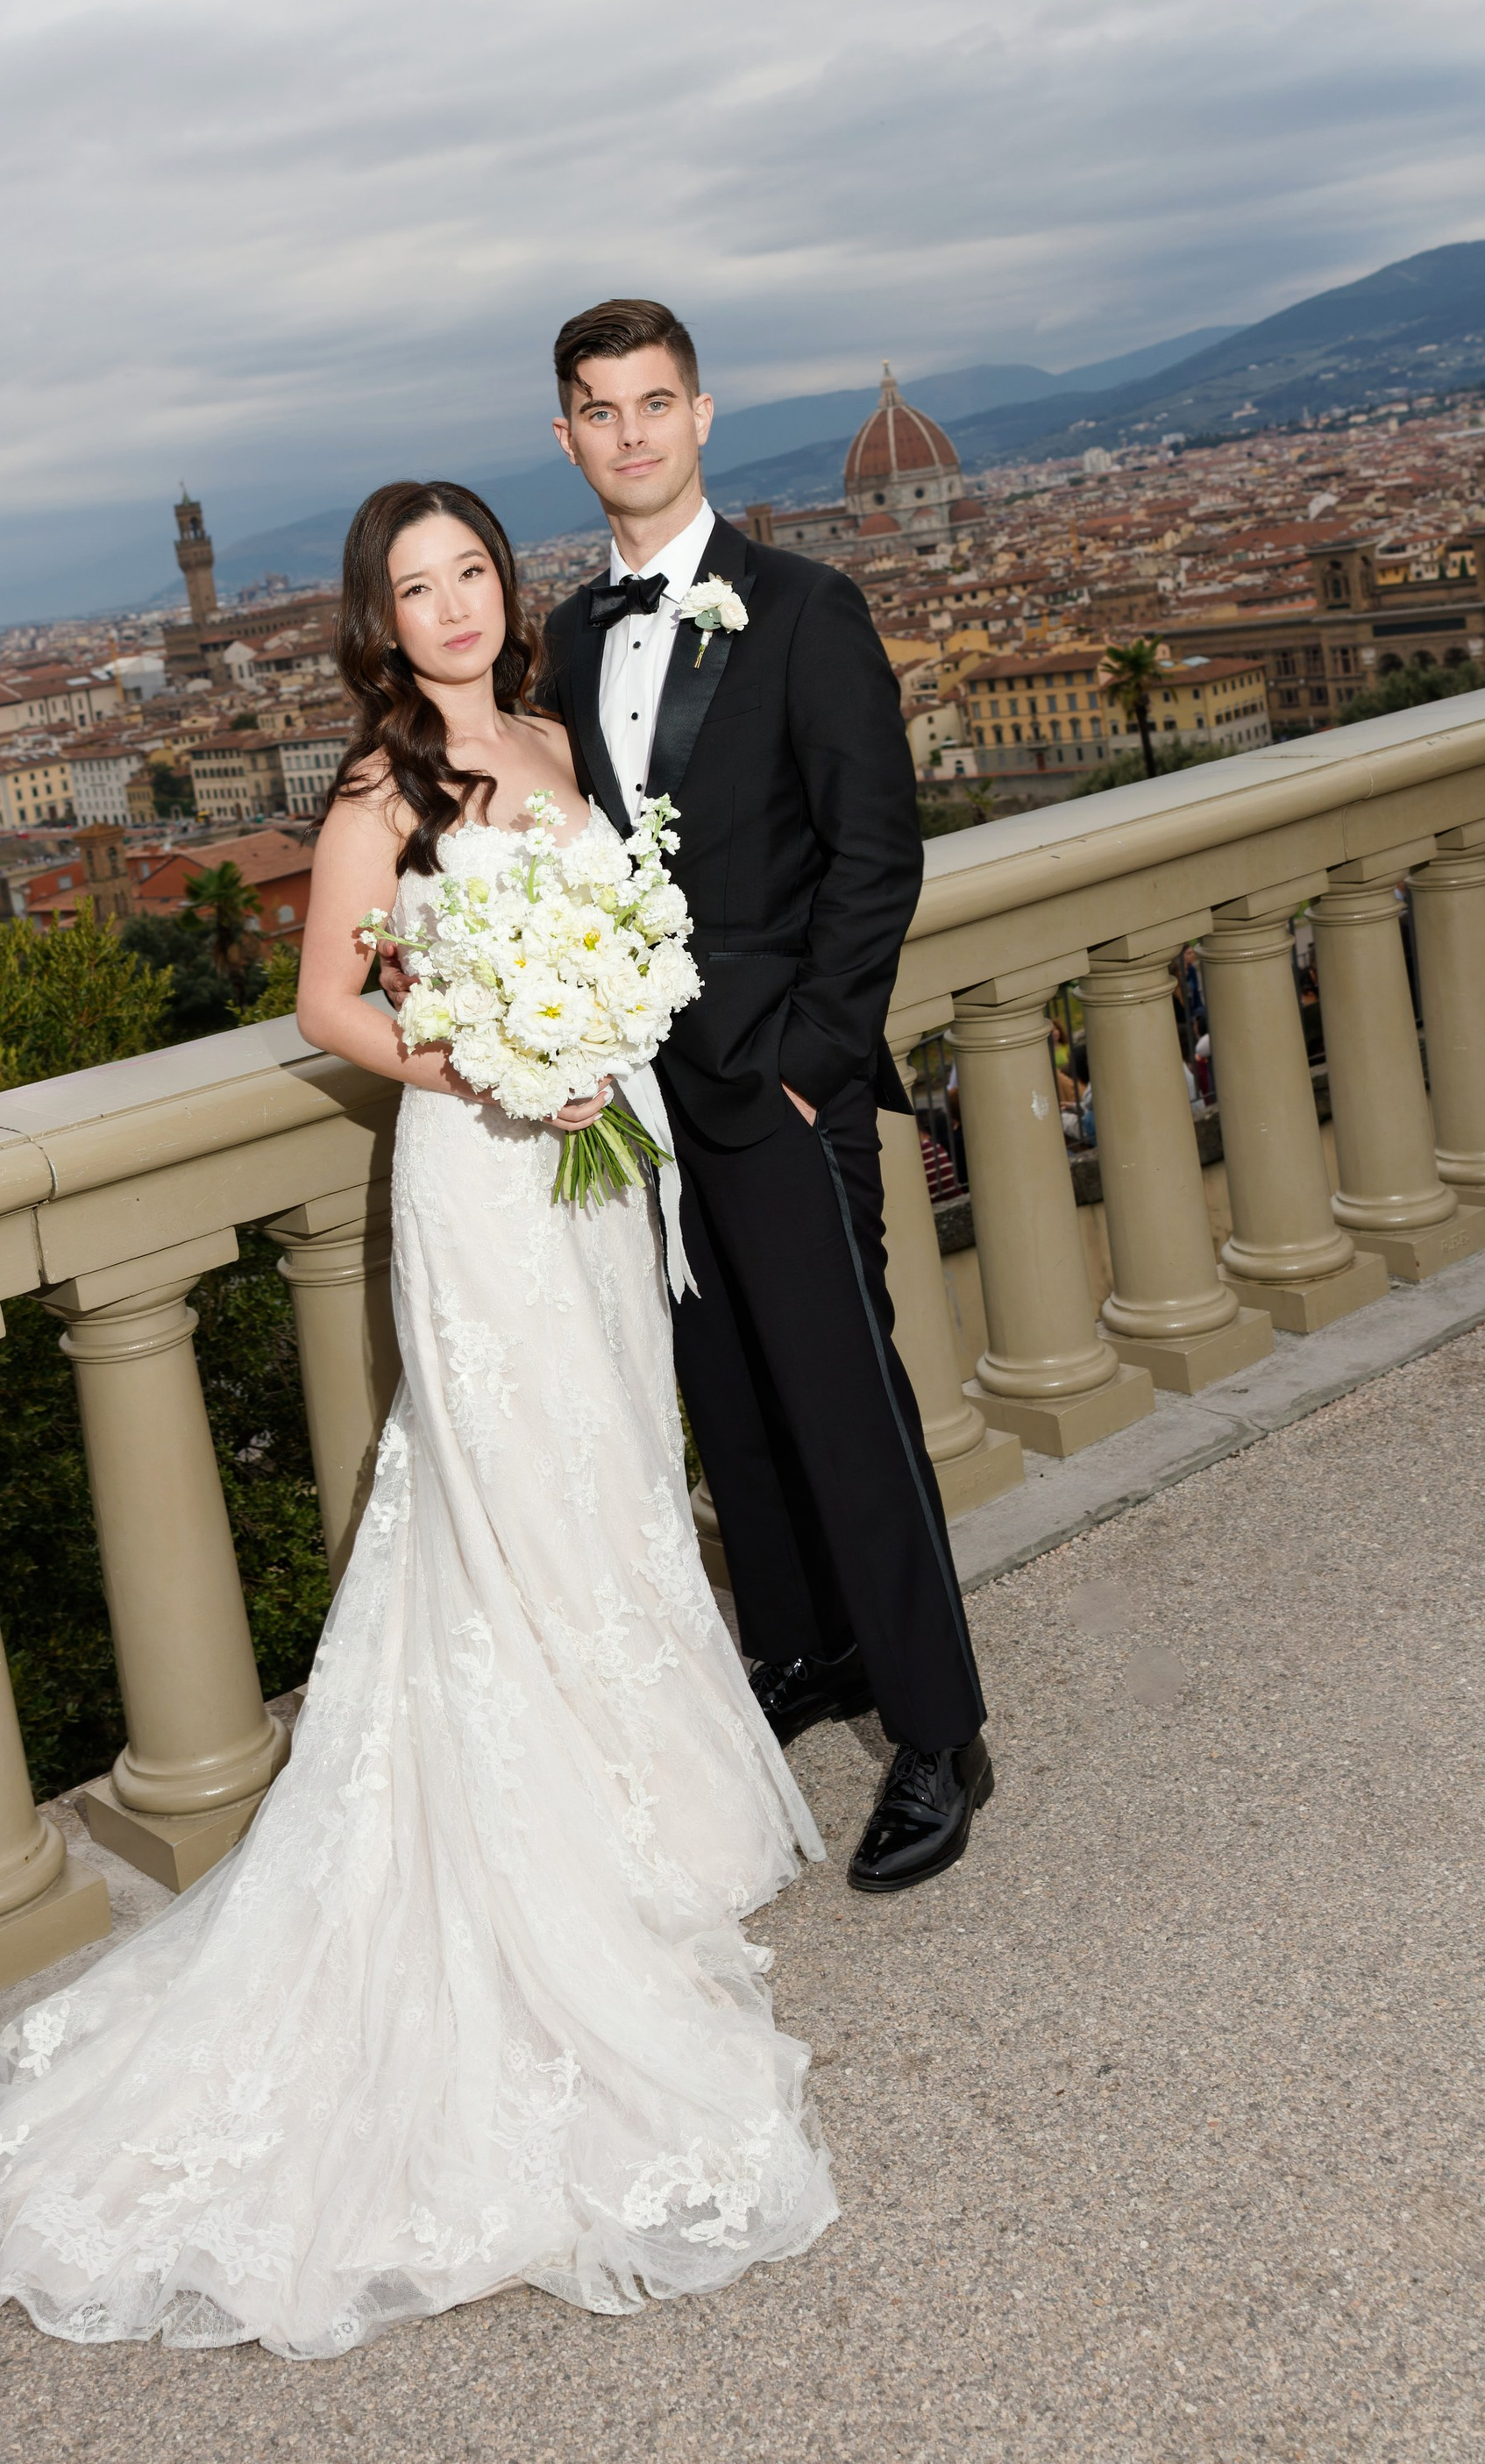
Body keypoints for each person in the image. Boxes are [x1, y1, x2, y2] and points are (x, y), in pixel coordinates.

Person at [0, 479, 835, 2357]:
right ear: (377, 622)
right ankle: (556, 1854)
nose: (455, 606)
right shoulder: (376, 795)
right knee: (503, 1494)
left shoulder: (561, 743)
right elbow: (332, 1003)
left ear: (503, 586)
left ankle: (645, 1812)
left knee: (614, 1476)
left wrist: (602, 1029)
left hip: (602, 1166)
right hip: (482, 1180)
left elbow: (636, 930)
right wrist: (497, 1049)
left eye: (472, 570)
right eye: (416, 588)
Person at [529, 297, 991, 1894]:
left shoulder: (804, 606)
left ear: (703, 416)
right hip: (645, 1095)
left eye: (656, 403)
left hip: (776, 1082)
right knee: (730, 1397)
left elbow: (879, 856)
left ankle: (941, 1734)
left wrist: (806, 1070)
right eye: (601, 409)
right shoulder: (571, 639)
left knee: (849, 1406)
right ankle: (805, 1656)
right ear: (571, 435)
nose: (632, 434)